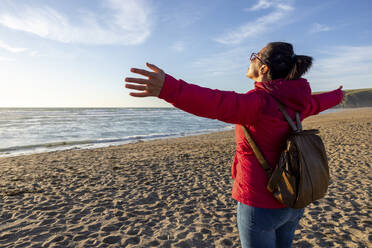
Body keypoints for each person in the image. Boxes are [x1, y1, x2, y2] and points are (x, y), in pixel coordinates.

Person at [124, 42, 344, 248]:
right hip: (294, 196)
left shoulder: (258, 103)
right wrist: (338, 95)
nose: (250, 60)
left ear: (264, 68)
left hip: (260, 202)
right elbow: (319, 102)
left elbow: (216, 102)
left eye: (254, 57)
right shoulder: (299, 102)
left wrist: (169, 89)